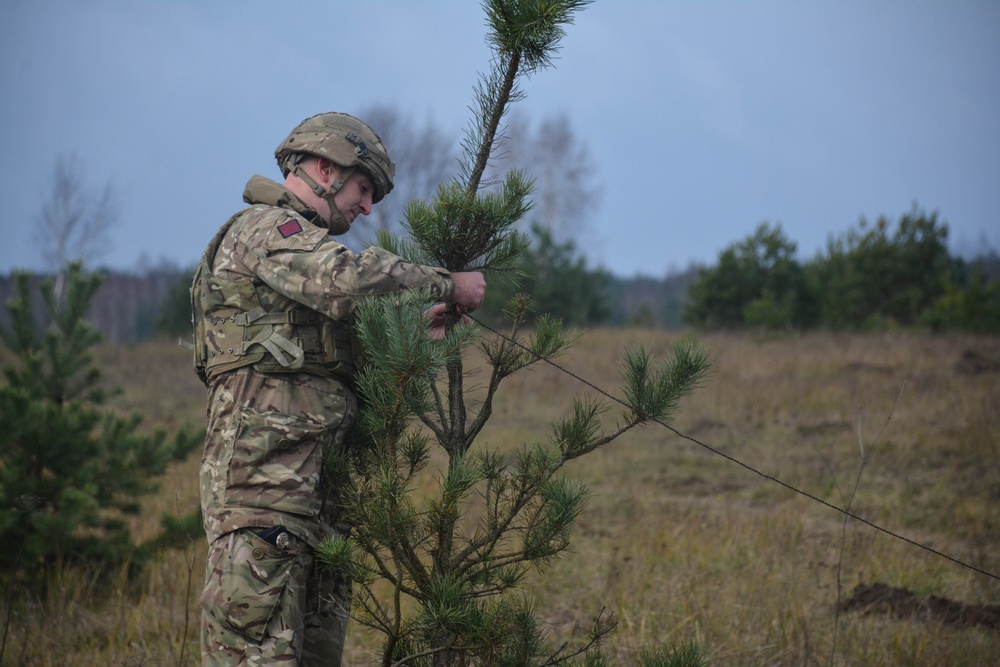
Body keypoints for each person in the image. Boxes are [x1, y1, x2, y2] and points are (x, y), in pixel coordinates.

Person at [191, 112, 485, 666]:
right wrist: (447, 282)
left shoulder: (300, 265)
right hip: (263, 502)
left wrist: (420, 332)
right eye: (363, 188)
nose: (367, 207)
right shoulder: (264, 231)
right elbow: (344, 281)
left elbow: (321, 355)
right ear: (325, 168)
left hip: (315, 510)